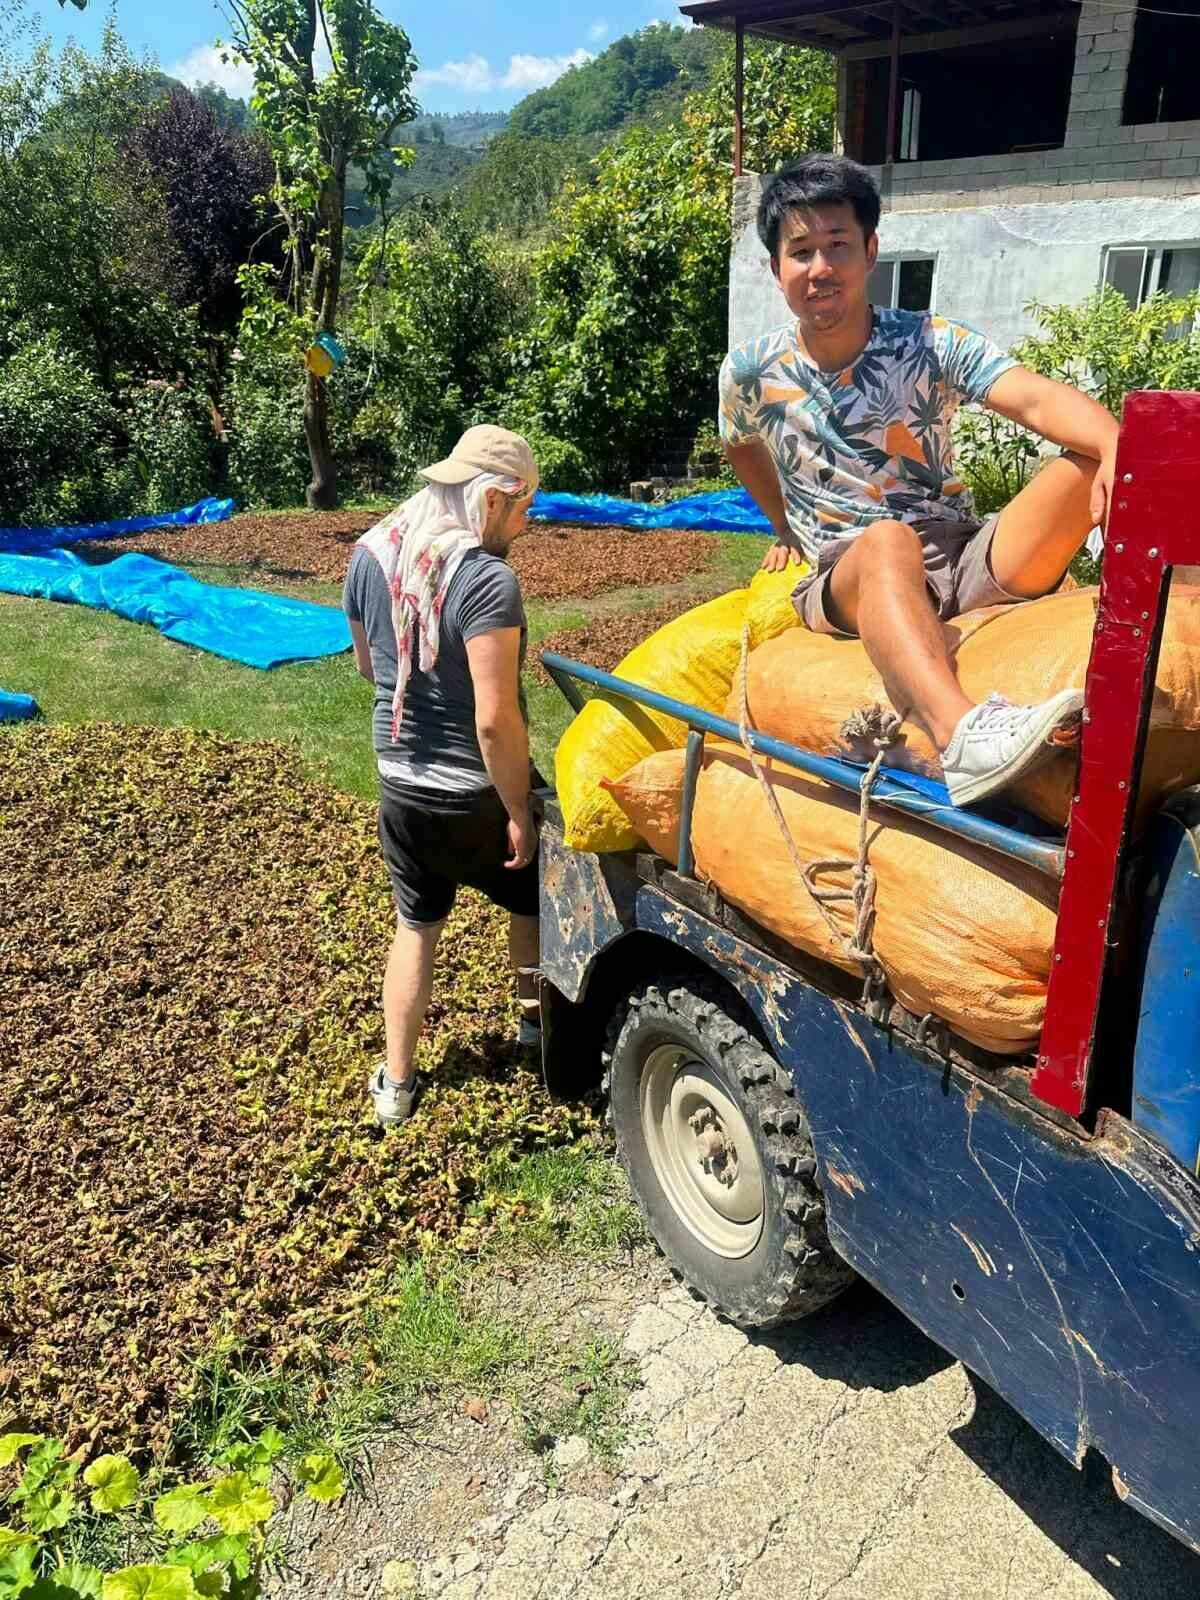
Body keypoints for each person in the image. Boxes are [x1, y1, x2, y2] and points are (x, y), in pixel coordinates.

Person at [719, 154, 1120, 807]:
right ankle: (962, 736)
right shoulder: (750, 374)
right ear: (776, 269)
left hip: (962, 555)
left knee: (1088, 463)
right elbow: (741, 447)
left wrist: (1112, 443)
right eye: (800, 252)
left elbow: (1038, 402)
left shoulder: (929, 341)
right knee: (885, 543)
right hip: (849, 575)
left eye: (837, 245)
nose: (820, 269)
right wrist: (784, 527)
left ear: (871, 250)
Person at [343, 425, 541, 1127]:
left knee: (415, 927)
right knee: (531, 904)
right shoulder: (486, 579)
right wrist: (518, 808)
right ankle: (535, 1031)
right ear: (490, 500)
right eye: (522, 511)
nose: (525, 527)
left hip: (401, 786)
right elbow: (495, 721)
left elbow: (371, 669)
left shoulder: (371, 556)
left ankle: (396, 1085)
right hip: (474, 793)